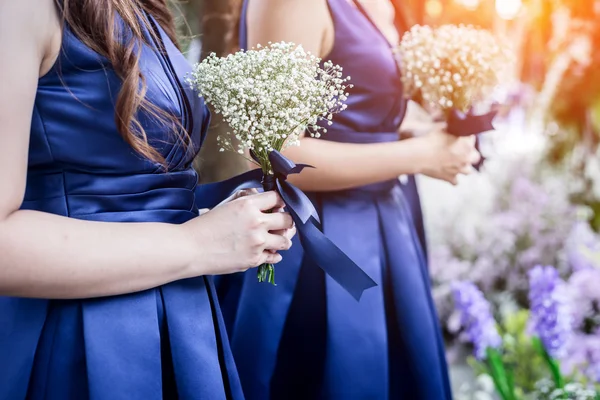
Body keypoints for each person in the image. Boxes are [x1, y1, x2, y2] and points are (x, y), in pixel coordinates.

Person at [0, 1, 295, 398]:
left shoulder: (138, 10)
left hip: (179, 316)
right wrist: (196, 243)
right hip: (79, 334)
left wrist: (220, 224)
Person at [216, 0, 481, 399]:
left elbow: (361, 107)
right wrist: (424, 155)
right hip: (318, 242)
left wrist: (430, 129)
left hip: (387, 224)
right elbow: (277, 151)